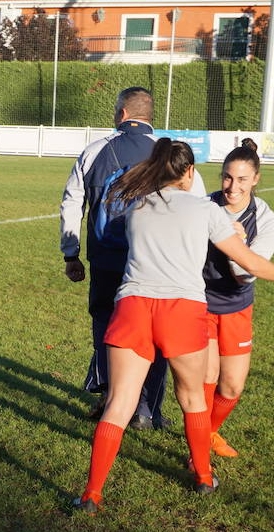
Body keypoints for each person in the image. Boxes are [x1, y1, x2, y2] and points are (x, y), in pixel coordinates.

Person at [72, 139, 274, 511]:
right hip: (182, 310)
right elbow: (248, 262)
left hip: (133, 307)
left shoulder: (136, 207)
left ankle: (91, 494)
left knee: (118, 404)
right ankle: (203, 476)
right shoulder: (205, 210)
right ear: (190, 172)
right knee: (193, 398)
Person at [59, 87, 204, 430]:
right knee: (154, 335)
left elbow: (71, 203)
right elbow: (197, 206)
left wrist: (71, 253)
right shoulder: (168, 153)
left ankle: (110, 398)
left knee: (107, 326)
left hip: (106, 259)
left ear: (122, 113)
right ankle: (146, 410)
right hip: (156, 264)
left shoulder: (95, 150)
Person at [201, 139, 274, 458]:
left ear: (256, 179)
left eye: (242, 179)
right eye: (227, 177)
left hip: (237, 306)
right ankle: (198, 451)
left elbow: (244, 276)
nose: (233, 187)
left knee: (232, 385)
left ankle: (207, 432)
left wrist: (237, 244)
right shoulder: (204, 208)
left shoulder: (266, 220)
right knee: (207, 376)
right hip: (200, 304)